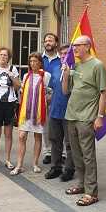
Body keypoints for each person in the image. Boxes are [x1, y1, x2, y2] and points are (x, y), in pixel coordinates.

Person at [61, 35, 106, 207]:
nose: (74, 49)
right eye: (73, 47)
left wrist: (100, 117)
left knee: (88, 155)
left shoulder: (97, 65)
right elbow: (66, 91)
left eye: (77, 46)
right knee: (75, 153)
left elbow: (103, 93)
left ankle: (91, 192)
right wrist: (66, 75)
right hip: (71, 115)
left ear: (87, 46)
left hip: (87, 117)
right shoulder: (76, 65)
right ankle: (81, 184)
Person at [10, 52, 51, 175]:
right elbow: (22, 91)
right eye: (31, 61)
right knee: (22, 136)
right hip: (26, 112)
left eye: (35, 61)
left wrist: (47, 97)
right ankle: (19, 165)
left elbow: (50, 91)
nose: (33, 63)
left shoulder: (46, 76)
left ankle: (35, 164)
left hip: (38, 112)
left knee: (37, 137)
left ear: (40, 62)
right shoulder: (26, 75)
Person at [45, 44, 75, 182]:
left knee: (69, 143)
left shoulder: (76, 70)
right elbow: (51, 89)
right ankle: (55, 167)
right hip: (55, 111)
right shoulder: (56, 68)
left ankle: (69, 169)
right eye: (61, 54)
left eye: (66, 54)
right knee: (55, 140)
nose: (64, 56)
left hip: (69, 113)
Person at [41, 33, 61, 165]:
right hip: (42, 96)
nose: (48, 42)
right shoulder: (39, 58)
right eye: (46, 40)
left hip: (58, 96)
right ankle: (48, 152)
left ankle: (63, 153)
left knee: (60, 125)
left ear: (56, 43)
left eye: (50, 40)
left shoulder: (62, 59)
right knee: (45, 125)